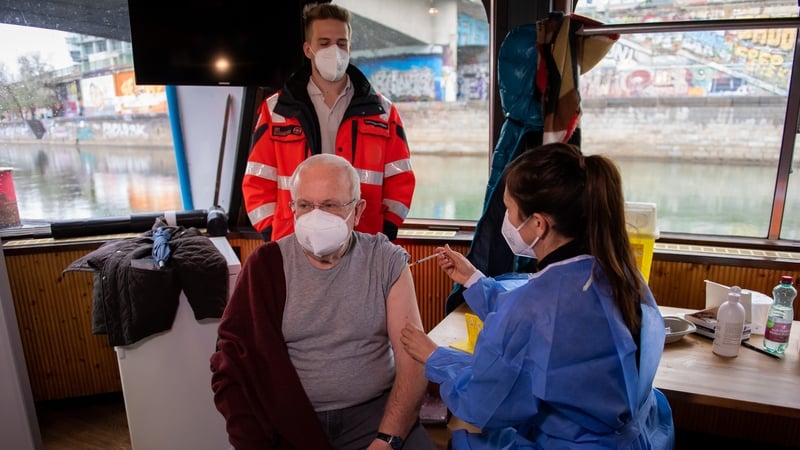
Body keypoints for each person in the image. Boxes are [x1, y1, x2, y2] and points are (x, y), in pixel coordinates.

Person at [400, 142, 675, 449]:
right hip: (643, 435)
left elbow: (483, 402)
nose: (506, 219)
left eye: (509, 209)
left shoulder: (534, 305)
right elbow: (538, 320)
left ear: (539, 223)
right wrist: (474, 280)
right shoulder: (621, 272)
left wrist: (434, 356)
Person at [211, 154, 435, 450]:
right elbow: (234, 363)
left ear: (357, 211)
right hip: (292, 419)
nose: (316, 217)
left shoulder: (384, 260)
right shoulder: (266, 266)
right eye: (304, 205)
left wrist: (387, 439)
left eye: (329, 205)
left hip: (374, 415)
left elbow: (413, 361)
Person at [242, 2, 415, 242]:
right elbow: (257, 182)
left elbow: (401, 181)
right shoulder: (276, 111)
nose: (334, 50)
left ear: (349, 47)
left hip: (362, 240)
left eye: (341, 43)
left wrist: (383, 233)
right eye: (324, 43)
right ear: (307, 49)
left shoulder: (383, 113)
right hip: (293, 241)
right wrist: (275, 235)